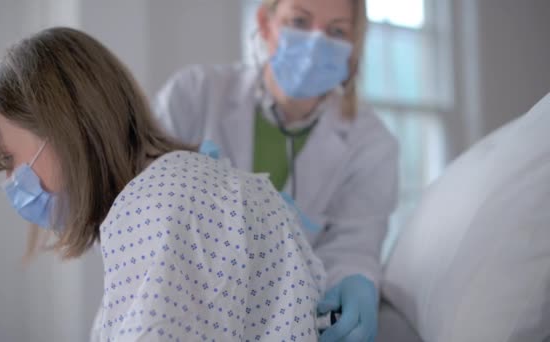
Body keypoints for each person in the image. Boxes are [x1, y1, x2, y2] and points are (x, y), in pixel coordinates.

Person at [0, 27, 327, 341]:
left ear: (60, 130)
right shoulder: (165, 194)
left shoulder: (153, 207)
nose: (11, 182)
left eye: (9, 159)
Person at [154, 0, 398, 340]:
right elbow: (134, 207)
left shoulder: (372, 144)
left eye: (337, 30)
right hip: (177, 311)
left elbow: (352, 247)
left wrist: (353, 281)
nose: (315, 43)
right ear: (266, 24)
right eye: (299, 20)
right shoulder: (194, 95)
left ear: (352, 46)